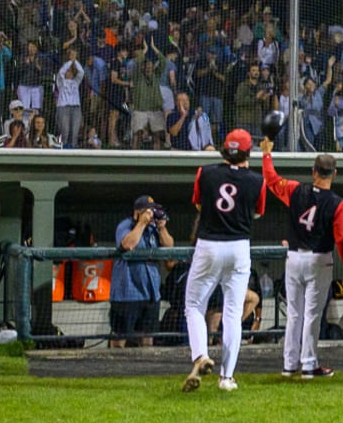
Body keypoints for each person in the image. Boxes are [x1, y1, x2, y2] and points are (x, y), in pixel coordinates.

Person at [179, 131, 267, 393]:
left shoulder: (205, 173)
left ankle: (200, 355)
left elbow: (198, 205)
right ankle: (226, 377)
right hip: (239, 246)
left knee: (194, 305)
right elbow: (259, 212)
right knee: (232, 313)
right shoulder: (257, 180)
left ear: (223, 151)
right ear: (247, 153)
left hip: (209, 244)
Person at [264, 153, 343, 378]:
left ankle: (289, 364)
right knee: (312, 314)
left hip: (294, 257)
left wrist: (266, 154)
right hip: (319, 260)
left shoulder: (295, 190)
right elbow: (342, 238)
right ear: (334, 174)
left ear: (314, 171)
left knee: (294, 313)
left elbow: (271, 178)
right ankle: (308, 364)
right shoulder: (337, 203)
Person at [111, 196, 174, 348]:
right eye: (149, 211)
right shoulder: (125, 226)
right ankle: (114, 367)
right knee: (120, 337)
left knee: (148, 337)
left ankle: (146, 368)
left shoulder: (153, 229)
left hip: (151, 292)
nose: (152, 214)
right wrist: (142, 223)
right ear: (137, 212)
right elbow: (128, 244)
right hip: (127, 292)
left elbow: (169, 246)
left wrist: (162, 228)